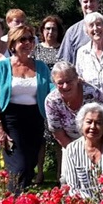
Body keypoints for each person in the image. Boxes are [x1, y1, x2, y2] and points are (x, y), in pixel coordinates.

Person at [0, 25, 54, 193]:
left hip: (35, 121)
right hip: (11, 121)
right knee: (19, 167)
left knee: (29, 167)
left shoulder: (41, 67)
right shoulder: (2, 67)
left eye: (31, 39)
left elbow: (53, 91)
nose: (27, 43)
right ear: (13, 43)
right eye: (22, 39)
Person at [32, 15, 65, 184]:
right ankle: (40, 173)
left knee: (59, 137)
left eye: (54, 29)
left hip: (60, 97)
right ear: (42, 31)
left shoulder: (64, 49)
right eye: (47, 28)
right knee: (41, 140)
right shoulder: (36, 49)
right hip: (40, 96)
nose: (50, 32)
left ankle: (60, 173)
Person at [57, 0, 103, 64]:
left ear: (98, 3)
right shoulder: (72, 32)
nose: (89, 4)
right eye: (85, 1)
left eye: (92, 1)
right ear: (81, 4)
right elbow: (65, 62)